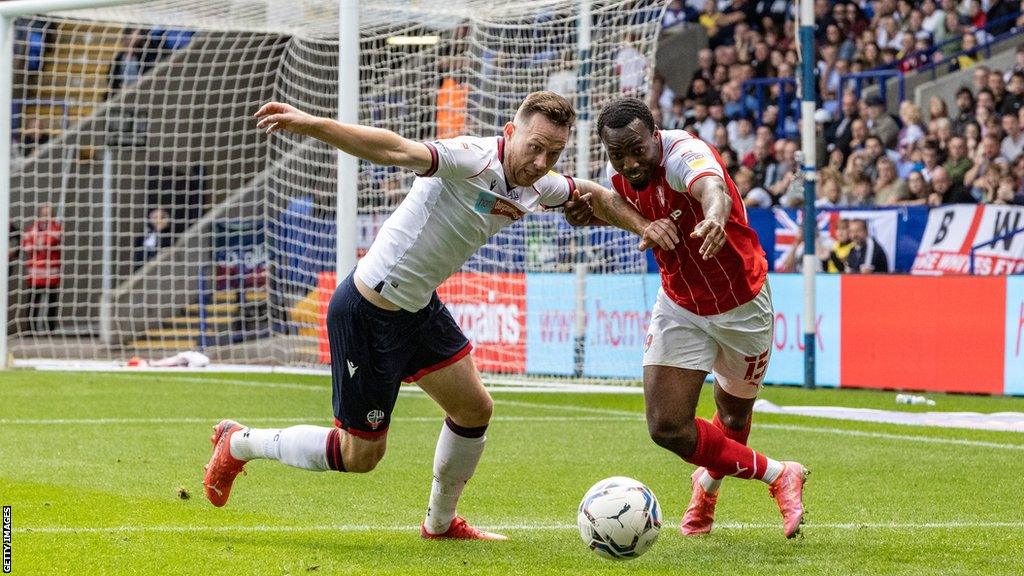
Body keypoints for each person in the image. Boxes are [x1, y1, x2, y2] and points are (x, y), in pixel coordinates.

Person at [204, 91, 676, 540]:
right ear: (510, 132)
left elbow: (595, 194)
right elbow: (393, 150)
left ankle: (441, 524)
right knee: (360, 456)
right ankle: (239, 442)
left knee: (474, 409)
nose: (540, 163)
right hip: (370, 309)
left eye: (552, 154)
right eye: (534, 148)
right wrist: (313, 124)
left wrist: (644, 224)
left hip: (418, 307)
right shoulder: (470, 156)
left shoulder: (539, 185)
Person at [571, 98, 808, 539]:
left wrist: (715, 218)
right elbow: (607, 201)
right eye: (617, 155)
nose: (629, 162)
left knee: (733, 418)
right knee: (665, 426)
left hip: (742, 304)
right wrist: (637, 224)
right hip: (680, 305)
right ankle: (780, 474)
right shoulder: (619, 176)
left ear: (655, 136)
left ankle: (706, 491)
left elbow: (710, 187)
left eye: (636, 149)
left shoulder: (684, 154)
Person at [21, 204, 62, 332]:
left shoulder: (56, 228)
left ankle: (50, 329)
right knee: (33, 301)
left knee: (52, 301)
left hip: (51, 272)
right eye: (44, 214)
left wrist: (39, 243)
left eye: (49, 214)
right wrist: (38, 243)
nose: (46, 217)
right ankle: (30, 329)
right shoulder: (32, 228)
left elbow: (51, 241)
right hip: (36, 272)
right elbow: (26, 244)